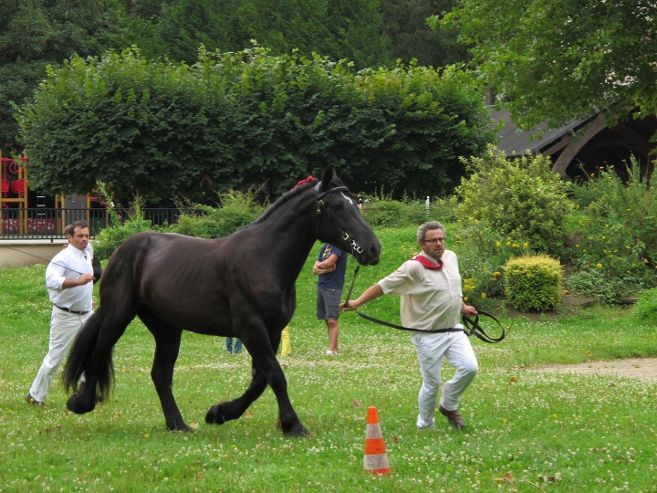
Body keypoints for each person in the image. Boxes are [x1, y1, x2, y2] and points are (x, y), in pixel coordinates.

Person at [341, 221, 478, 430]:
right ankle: (425, 426)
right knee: (432, 384)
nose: (439, 244)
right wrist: (358, 301)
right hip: (427, 335)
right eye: (433, 241)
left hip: (453, 329)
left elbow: (450, 287)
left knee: (470, 367)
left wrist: (462, 306)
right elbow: (384, 285)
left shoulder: (451, 257)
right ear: (422, 244)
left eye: (441, 239)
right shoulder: (413, 267)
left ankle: (448, 405)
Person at [26, 220, 101, 405]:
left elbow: (90, 273)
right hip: (66, 316)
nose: (84, 239)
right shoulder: (62, 258)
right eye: (80, 236)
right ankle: (35, 396)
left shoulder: (88, 250)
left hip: (87, 313)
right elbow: (52, 282)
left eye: (86, 235)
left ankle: (87, 389)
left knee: (93, 351)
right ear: (70, 237)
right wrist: (78, 282)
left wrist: (87, 297)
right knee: (55, 358)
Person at [313, 243, 348, 355]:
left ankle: (331, 350)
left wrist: (323, 266)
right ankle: (335, 348)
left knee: (332, 319)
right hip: (321, 286)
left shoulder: (339, 246)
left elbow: (330, 262)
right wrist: (326, 269)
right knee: (326, 319)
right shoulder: (325, 247)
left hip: (333, 287)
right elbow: (314, 269)